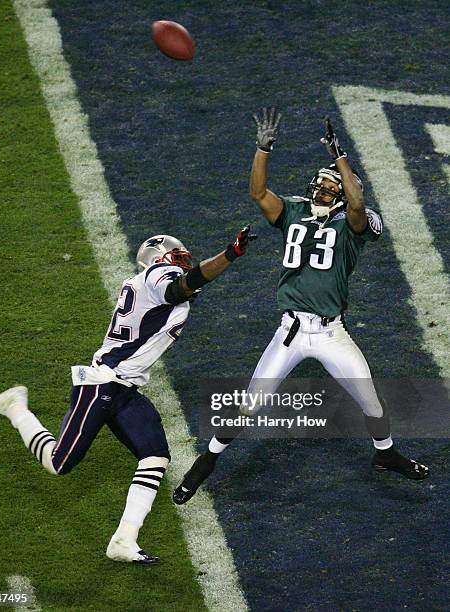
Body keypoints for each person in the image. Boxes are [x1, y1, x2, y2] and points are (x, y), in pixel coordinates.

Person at [173, 109, 429, 506]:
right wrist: (263, 149)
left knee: (372, 401)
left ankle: (386, 453)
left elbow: (358, 207)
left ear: (344, 193)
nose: (323, 189)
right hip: (291, 331)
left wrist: (340, 155)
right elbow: (259, 193)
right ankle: (205, 463)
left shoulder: (355, 222)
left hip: (332, 333)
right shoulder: (293, 210)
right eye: (322, 183)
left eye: (332, 185)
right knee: (249, 406)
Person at [0, 226, 256, 564]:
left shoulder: (146, 281)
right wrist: (230, 255)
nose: (184, 266)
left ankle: (124, 540)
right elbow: (180, 287)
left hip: (125, 388)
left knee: (155, 455)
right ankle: (15, 407)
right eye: (179, 260)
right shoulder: (162, 274)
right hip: (102, 382)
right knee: (58, 463)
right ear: (161, 260)